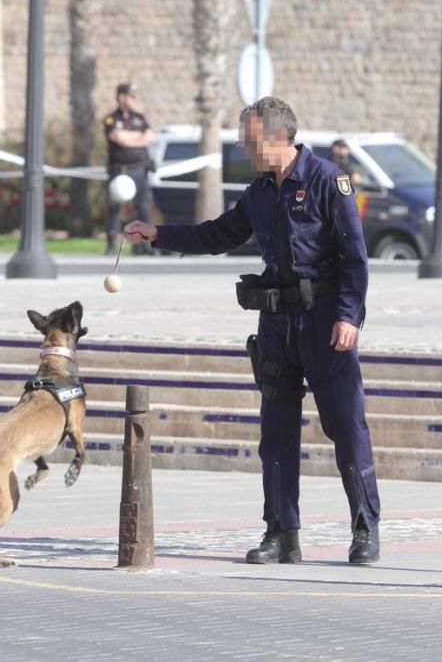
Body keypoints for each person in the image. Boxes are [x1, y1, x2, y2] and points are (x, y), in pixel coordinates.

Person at [124, 96, 381, 565]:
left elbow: (354, 258)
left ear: (279, 137)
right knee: (276, 433)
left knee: (346, 426)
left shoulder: (327, 181)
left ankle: (365, 528)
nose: (245, 149)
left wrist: (349, 316)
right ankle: (282, 533)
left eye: (251, 140)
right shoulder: (260, 191)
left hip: (325, 321)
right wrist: (159, 234)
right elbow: (216, 235)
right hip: (277, 322)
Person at [103, 82, 156, 255]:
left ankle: (145, 245)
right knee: (114, 207)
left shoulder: (140, 118)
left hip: (140, 170)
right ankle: (112, 244)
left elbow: (150, 137)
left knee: (144, 207)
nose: (134, 99)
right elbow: (118, 137)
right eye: (130, 96)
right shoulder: (111, 119)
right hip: (120, 170)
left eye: (135, 96)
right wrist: (138, 137)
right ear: (121, 98)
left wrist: (130, 139)